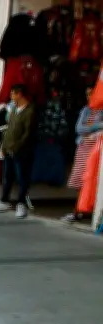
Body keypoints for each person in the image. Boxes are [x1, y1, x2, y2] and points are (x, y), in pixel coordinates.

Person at [0, 84, 36, 219]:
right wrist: (4, 147)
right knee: (7, 176)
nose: (11, 96)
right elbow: (8, 130)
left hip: (21, 151)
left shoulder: (30, 111)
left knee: (22, 177)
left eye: (12, 94)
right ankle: (4, 201)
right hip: (9, 149)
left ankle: (21, 204)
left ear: (19, 94)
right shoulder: (14, 110)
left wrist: (16, 147)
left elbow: (28, 133)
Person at [61, 87, 103, 223]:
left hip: (96, 149)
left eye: (92, 94)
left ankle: (90, 210)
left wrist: (90, 128)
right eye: (88, 94)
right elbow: (79, 128)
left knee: (93, 179)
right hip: (83, 148)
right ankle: (79, 210)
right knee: (80, 179)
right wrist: (97, 126)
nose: (89, 97)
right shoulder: (86, 110)